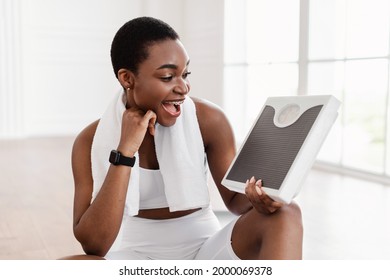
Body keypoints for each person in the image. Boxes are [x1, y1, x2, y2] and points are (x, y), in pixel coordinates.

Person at [62, 16, 303, 260]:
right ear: (127, 78)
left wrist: (262, 195)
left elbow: (235, 202)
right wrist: (125, 151)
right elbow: (95, 245)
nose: (183, 88)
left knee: (287, 213)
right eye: (167, 77)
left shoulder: (208, 120)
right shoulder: (89, 141)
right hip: (133, 256)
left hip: (204, 252)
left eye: (184, 74)